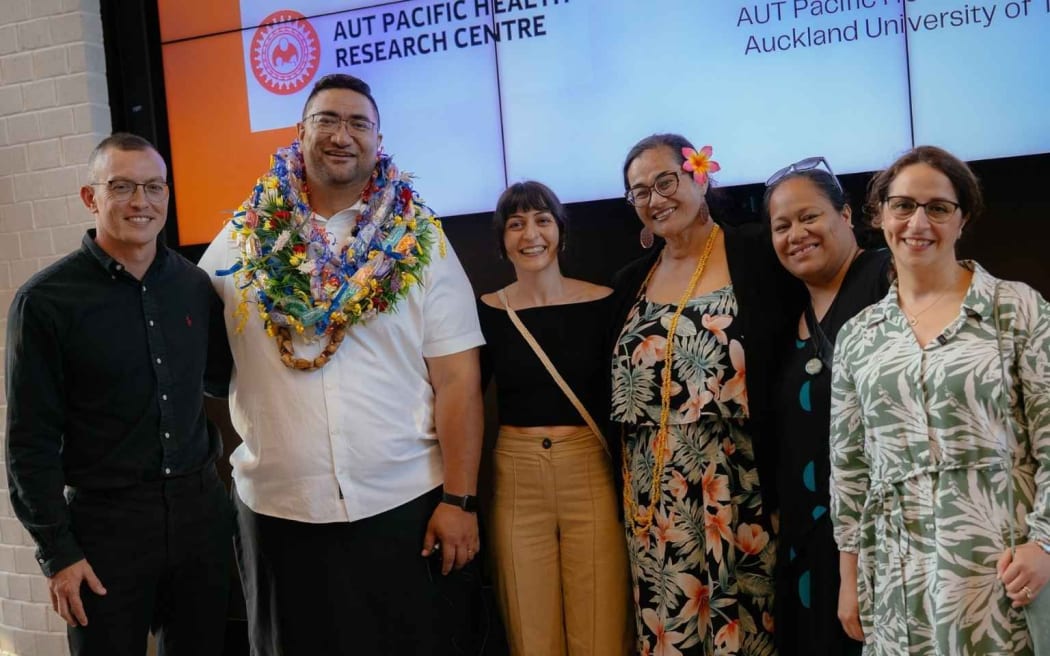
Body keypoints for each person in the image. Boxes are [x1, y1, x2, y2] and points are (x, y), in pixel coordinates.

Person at [197, 73, 486, 655]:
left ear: (379, 141)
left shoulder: (421, 240)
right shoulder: (239, 242)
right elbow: (197, 361)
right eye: (326, 119)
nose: (341, 135)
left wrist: (459, 501)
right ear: (299, 132)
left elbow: (458, 380)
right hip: (279, 514)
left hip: (404, 507)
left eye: (359, 123)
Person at [5, 133, 234, 655]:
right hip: (106, 530)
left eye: (154, 187)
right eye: (123, 186)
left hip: (201, 516)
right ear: (92, 197)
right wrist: (58, 554)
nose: (141, 202)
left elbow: (221, 380)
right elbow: (29, 445)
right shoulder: (44, 302)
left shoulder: (194, 286)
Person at [830, 145, 1050, 654]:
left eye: (937, 207)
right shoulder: (859, 336)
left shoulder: (1016, 308)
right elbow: (849, 470)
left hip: (1002, 573)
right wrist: (849, 579)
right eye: (903, 205)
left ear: (962, 217)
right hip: (895, 578)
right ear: (880, 214)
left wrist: (1043, 545)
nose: (918, 222)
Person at [610, 134, 797, 655]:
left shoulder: (757, 252)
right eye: (639, 192)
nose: (654, 198)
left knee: (747, 629)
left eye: (665, 180)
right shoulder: (631, 281)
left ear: (700, 176)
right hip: (652, 502)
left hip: (736, 484)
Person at [477, 181, 632, 656]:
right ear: (503, 241)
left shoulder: (608, 301)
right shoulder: (486, 311)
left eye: (543, 220)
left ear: (561, 232)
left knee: (601, 628)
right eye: (516, 223)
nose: (531, 234)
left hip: (589, 468)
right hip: (516, 476)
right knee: (530, 632)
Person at [763, 157, 891, 655]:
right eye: (782, 225)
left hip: (880, 543)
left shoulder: (887, 278)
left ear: (846, 214)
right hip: (805, 549)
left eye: (809, 216)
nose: (796, 233)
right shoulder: (785, 315)